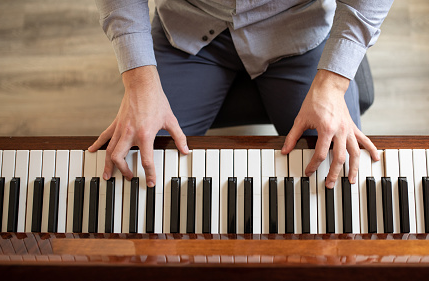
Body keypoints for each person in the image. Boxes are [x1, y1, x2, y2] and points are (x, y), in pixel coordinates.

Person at [89, 0, 393, 189]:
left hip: (299, 27)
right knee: (138, 168)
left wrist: (333, 84)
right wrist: (139, 83)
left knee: (335, 173)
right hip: (189, 23)